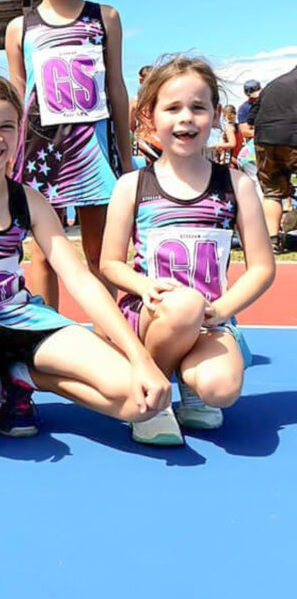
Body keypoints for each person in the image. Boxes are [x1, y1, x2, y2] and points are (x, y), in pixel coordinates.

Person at [0, 70, 170, 458]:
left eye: (6, 126)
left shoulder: (29, 200)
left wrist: (141, 357)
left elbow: (79, 279)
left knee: (141, 400)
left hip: (24, 323)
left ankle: (22, 377)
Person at [101, 57, 274, 443]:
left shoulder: (235, 185)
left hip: (209, 319)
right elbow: (109, 263)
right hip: (153, 316)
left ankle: (194, 390)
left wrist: (223, 311)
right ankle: (153, 394)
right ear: (150, 116)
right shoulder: (132, 185)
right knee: (183, 306)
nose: (186, 118)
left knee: (221, 390)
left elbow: (262, 268)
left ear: (215, 116)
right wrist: (142, 286)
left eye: (198, 107)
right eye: (173, 108)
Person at [5, 0, 132, 313]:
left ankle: (110, 337)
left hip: (95, 154)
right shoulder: (19, 28)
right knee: (45, 255)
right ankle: (47, 334)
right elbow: (17, 97)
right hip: (43, 156)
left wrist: (126, 158)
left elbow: (116, 88)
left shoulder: (105, 18)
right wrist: (12, 159)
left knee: (101, 254)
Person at [246, 65, 297, 254]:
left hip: (265, 141)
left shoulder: (272, 85)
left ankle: (272, 241)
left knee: (272, 193)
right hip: (294, 135)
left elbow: (251, 119)